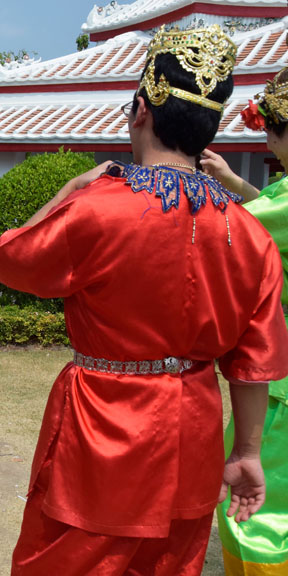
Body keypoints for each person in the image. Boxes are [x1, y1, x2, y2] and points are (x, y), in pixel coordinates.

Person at [0, 25, 288, 575]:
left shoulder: (98, 208)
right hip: (193, 429)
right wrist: (245, 453)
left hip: (104, 428)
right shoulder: (249, 235)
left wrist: (70, 190)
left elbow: (8, 259)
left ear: (140, 109)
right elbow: (253, 365)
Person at [198, 68, 288, 575]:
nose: (271, 145)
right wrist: (234, 184)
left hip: (282, 381)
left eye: (274, 134)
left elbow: (240, 231)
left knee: (260, 513)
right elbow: (271, 212)